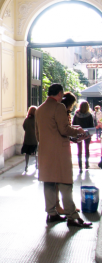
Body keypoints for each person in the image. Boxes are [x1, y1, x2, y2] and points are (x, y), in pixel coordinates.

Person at [35, 83, 92, 228]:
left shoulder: (39, 109)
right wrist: (77, 130)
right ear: (59, 93)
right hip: (59, 153)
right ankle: (72, 217)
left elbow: (37, 134)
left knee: (48, 183)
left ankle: (52, 213)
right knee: (65, 183)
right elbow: (64, 129)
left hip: (45, 152)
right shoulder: (59, 107)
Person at [72, 101, 94, 172]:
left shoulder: (76, 115)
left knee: (79, 150)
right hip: (87, 134)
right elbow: (91, 126)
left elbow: (73, 124)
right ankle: (87, 164)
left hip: (78, 134)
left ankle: (80, 166)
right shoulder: (89, 115)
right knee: (87, 149)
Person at [21, 106, 38, 172]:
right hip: (34, 139)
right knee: (36, 153)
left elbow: (24, 127)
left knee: (27, 153)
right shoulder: (36, 120)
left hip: (27, 139)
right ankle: (36, 164)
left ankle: (26, 165)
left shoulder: (26, 120)